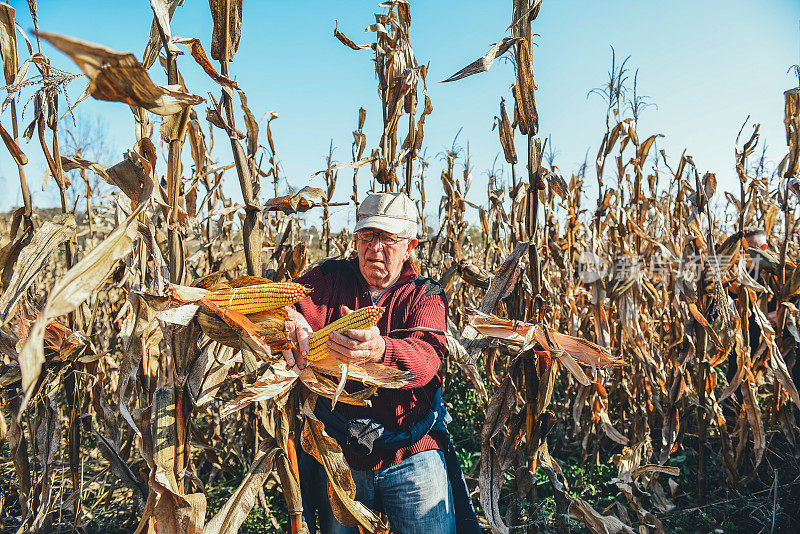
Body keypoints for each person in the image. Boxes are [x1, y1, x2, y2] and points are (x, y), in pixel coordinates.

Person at [282, 192, 469, 534]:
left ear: (411, 246)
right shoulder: (330, 278)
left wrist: (380, 350)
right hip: (340, 453)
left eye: (387, 239)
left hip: (410, 449)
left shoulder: (425, 295)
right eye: (366, 237)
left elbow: (427, 360)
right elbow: (283, 299)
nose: (374, 249)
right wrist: (289, 317)